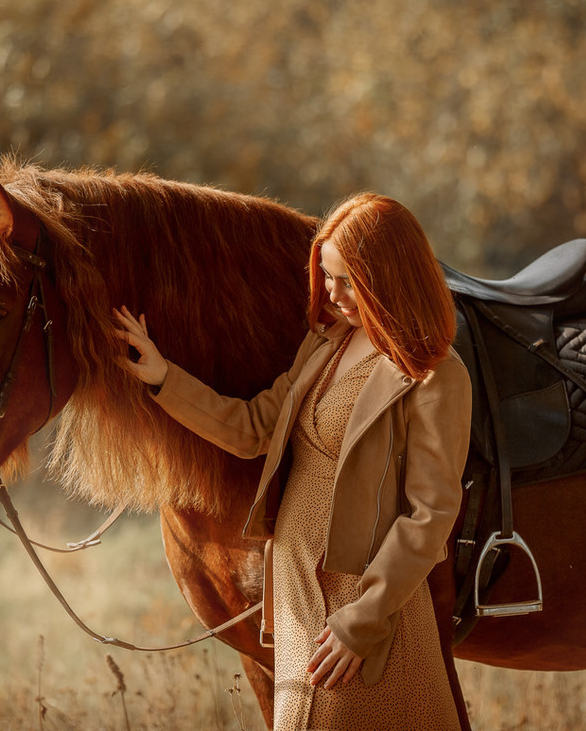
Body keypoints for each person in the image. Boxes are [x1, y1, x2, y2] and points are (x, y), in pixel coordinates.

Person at [114, 192, 471, 730]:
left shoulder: (435, 375)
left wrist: (363, 619)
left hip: (362, 608)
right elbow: (254, 428)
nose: (335, 295)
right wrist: (164, 376)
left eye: (348, 280)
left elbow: (432, 513)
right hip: (299, 591)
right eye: (328, 278)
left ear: (391, 276)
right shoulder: (324, 346)